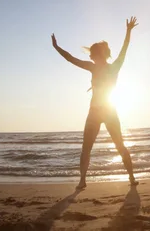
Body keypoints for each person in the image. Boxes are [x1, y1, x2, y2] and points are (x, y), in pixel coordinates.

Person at [51, 16, 139, 189]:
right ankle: (83, 180)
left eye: (93, 54)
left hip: (107, 111)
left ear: (99, 55)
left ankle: (131, 177)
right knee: (88, 147)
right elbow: (70, 58)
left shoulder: (112, 66)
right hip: (97, 112)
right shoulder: (95, 67)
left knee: (119, 144)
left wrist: (128, 32)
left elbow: (124, 49)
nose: (91, 57)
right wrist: (56, 47)